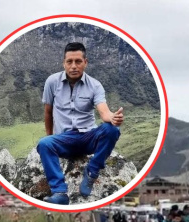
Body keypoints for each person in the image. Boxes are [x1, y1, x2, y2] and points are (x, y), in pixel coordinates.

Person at [37, 42, 124, 205]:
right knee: (44, 143)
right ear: (63, 63)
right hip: (64, 139)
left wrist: (113, 117)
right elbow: (48, 112)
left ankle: (92, 172)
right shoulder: (52, 82)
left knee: (112, 129)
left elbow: (103, 112)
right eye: (69, 61)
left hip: (87, 138)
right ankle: (60, 193)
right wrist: (51, 139)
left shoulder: (95, 85)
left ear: (85, 62)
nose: (73, 66)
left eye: (78, 61)